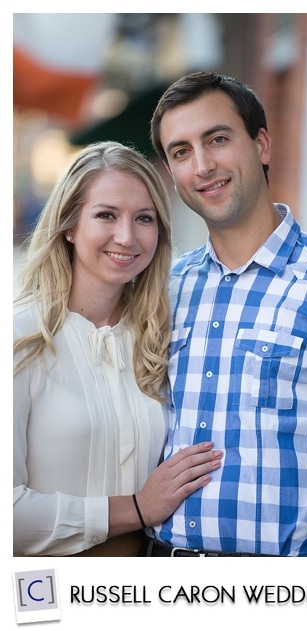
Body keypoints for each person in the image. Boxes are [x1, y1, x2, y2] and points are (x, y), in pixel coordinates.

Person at [147, 72, 307, 556]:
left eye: (218, 139)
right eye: (181, 152)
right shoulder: (166, 289)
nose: (203, 165)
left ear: (262, 145)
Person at [13, 141, 222, 556]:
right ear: (69, 224)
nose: (126, 236)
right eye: (106, 215)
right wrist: (138, 509)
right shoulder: (21, 337)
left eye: (143, 218)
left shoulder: (160, 335)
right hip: (46, 595)